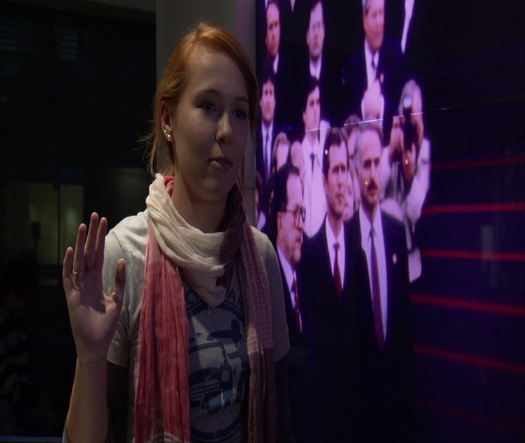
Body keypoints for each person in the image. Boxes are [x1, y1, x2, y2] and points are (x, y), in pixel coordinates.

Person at [62, 23, 292, 443]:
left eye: (240, 112)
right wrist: (90, 356)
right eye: (208, 105)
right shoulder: (125, 254)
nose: (226, 130)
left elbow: (280, 422)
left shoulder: (260, 256)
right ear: (168, 118)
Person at [346, 123, 412, 442]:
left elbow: (405, 323)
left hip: (396, 404)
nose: (372, 174)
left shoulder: (397, 233)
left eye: (377, 163)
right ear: (356, 170)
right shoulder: (343, 239)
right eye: (366, 165)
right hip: (356, 407)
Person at [298, 128, 355, 440]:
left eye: (346, 169)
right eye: (336, 170)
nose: (342, 179)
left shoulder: (360, 253)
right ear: (324, 181)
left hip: (357, 410)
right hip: (321, 410)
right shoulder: (309, 253)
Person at [381, 79, 430, 282]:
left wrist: (410, 180)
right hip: (386, 258)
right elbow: (373, 193)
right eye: (405, 120)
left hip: (413, 264)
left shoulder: (425, 151)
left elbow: (416, 213)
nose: (409, 127)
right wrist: (390, 153)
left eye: (414, 119)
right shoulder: (391, 151)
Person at [342, 0, 403, 139]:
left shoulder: (395, 55)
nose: (379, 22)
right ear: (364, 19)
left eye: (381, 13)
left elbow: (401, 109)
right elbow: (345, 114)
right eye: (374, 15)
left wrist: (380, 106)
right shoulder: (352, 63)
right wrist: (365, 107)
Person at [301, 77, 328, 238]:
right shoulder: (296, 158)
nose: (316, 109)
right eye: (312, 104)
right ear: (303, 114)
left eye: (318, 103)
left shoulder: (328, 155)